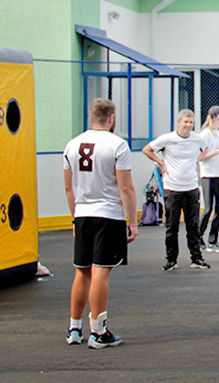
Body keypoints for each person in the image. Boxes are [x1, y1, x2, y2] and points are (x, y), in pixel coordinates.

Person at [64, 99, 138, 349]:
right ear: (112, 118)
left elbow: (68, 188)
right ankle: (98, 332)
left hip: (83, 214)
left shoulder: (72, 145)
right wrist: (133, 222)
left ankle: (75, 328)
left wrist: (75, 217)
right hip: (108, 215)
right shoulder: (118, 145)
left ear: (91, 117)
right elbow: (126, 188)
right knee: (100, 272)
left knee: (82, 271)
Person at [143, 109, 210, 271]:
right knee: (172, 226)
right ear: (179, 122)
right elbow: (147, 149)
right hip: (172, 188)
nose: (188, 125)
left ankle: (196, 258)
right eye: (185, 122)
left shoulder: (197, 139)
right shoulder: (168, 138)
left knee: (193, 226)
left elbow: (205, 148)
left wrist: (197, 160)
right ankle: (171, 260)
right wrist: (162, 164)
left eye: (191, 122)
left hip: (191, 187)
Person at [198, 106, 219, 253]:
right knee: (208, 208)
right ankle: (198, 236)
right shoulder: (206, 134)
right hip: (208, 175)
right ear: (217, 116)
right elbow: (200, 157)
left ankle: (213, 240)